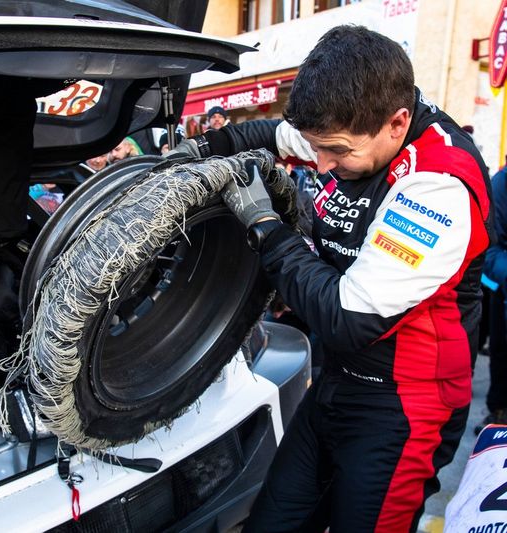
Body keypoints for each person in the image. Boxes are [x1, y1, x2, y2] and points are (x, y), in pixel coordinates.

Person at [169, 25, 490, 532]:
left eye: (336, 150)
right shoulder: (352, 120)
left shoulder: (438, 185)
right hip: (337, 381)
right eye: (316, 147)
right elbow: (267, 134)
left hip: (403, 407)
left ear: (397, 122)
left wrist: (266, 228)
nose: (321, 163)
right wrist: (199, 150)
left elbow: (346, 317)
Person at [479, 157, 507, 433]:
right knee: (501, 352)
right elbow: (491, 247)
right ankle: (498, 414)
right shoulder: (501, 183)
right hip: (503, 289)